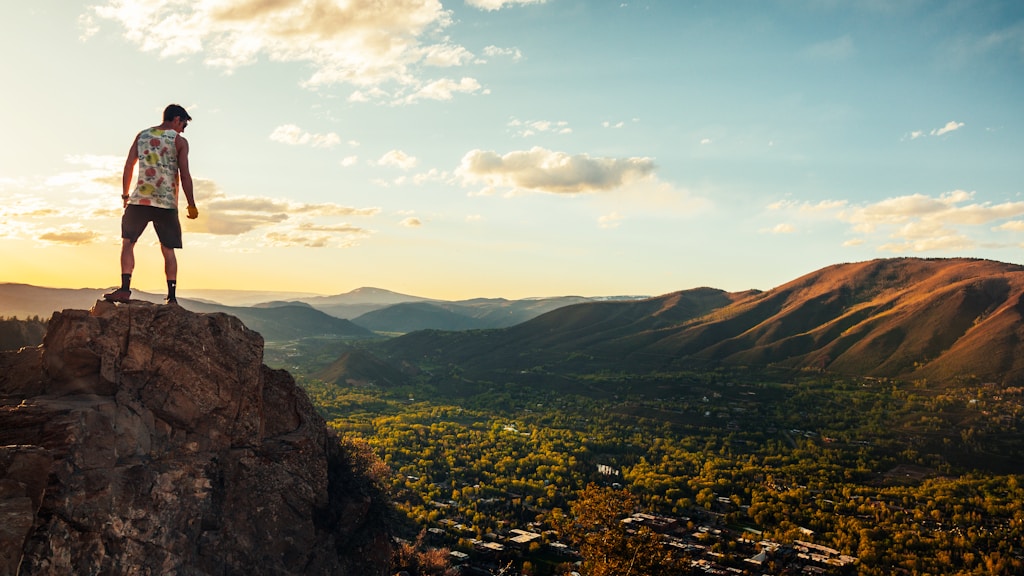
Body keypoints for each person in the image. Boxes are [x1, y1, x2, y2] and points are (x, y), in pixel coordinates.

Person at [104, 104, 199, 305]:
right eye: (183, 124)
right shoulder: (179, 141)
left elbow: (129, 164)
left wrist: (125, 194)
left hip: (140, 199)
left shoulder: (142, 136)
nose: (183, 128)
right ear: (176, 119)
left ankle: (124, 289)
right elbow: (185, 174)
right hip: (166, 202)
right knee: (168, 249)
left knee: (128, 243)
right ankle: (171, 297)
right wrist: (191, 204)